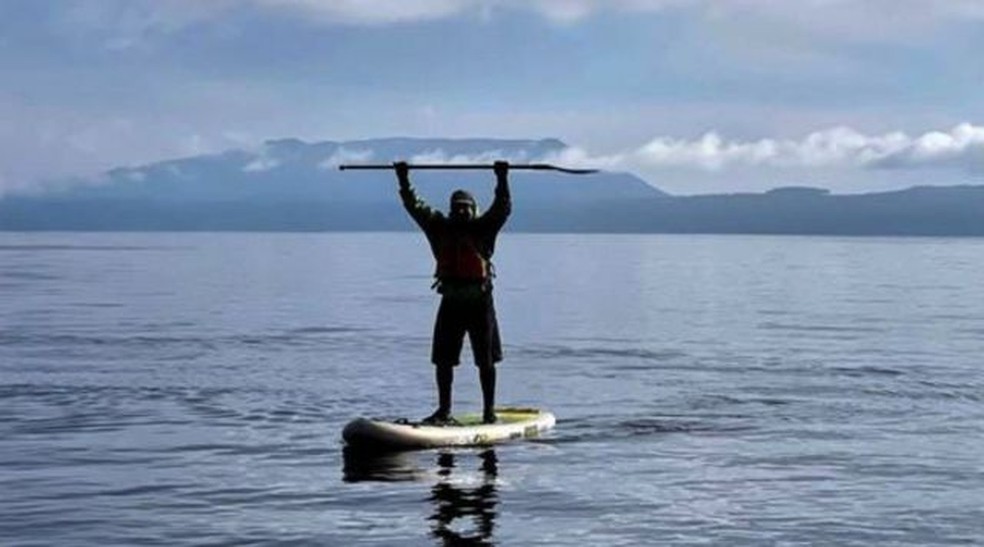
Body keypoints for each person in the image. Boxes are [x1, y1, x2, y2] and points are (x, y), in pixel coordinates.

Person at [395, 160, 511, 425]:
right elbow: (414, 206)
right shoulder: (439, 228)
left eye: (465, 208)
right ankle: (444, 411)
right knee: (443, 360)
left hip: (480, 303)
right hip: (451, 303)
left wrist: (502, 177)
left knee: (485, 361)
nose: (461, 212)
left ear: (473, 211)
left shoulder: (484, 229)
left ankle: (488, 412)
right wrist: (403, 179)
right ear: (450, 210)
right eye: (457, 208)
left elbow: (502, 208)